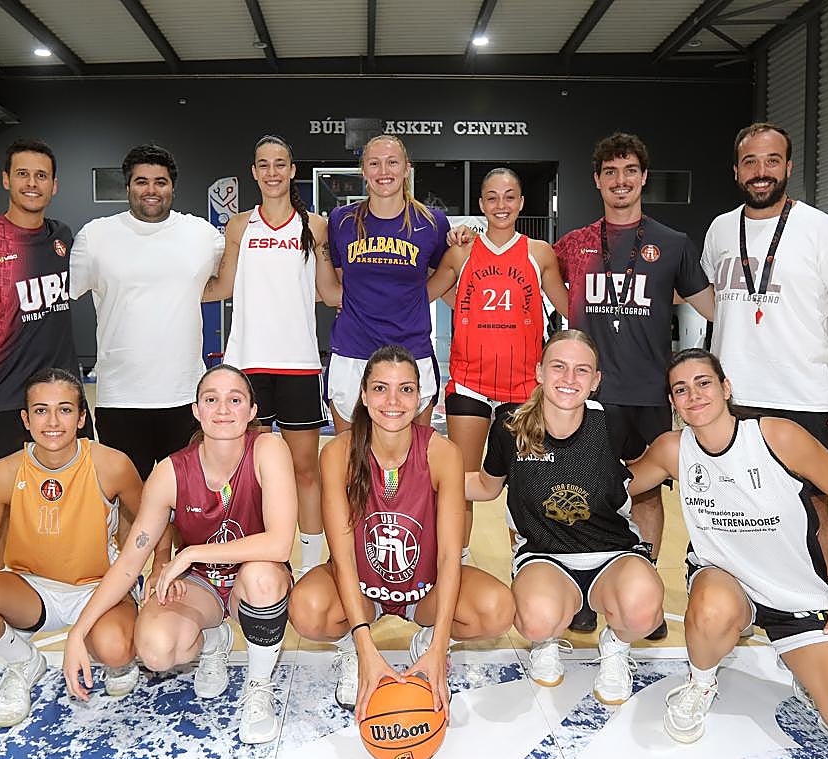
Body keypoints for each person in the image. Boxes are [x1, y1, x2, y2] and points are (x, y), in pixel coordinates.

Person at [627, 349, 828, 753]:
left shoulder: (776, 436)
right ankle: (701, 683)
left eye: (704, 383)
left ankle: (800, 663)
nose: (694, 395)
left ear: (725, 387)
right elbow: (612, 486)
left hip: (795, 595)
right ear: (672, 402)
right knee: (712, 608)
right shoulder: (672, 448)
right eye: (681, 389)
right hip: (726, 582)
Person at [63, 365, 297, 745]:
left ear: (252, 412)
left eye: (234, 400)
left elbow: (279, 543)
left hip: (252, 581)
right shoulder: (171, 472)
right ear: (196, 410)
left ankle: (258, 686)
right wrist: (79, 631)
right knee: (155, 651)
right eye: (211, 400)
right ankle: (214, 639)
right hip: (202, 586)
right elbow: (129, 561)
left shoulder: (268, 449)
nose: (223, 409)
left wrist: (188, 555)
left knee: (262, 577)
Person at [289, 345, 514, 721]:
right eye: (380, 388)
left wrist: (440, 646)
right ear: (363, 394)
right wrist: (366, 649)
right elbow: (342, 558)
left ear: (421, 396)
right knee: (306, 608)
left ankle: (426, 640)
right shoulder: (339, 453)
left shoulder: (442, 453)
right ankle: (352, 642)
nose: (393, 400)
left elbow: (448, 555)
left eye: (405, 389)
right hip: (359, 591)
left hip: (424, 590)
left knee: (497, 609)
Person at [553, 133, 715, 638]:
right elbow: (537, 268)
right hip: (588, 393)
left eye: (629, 171)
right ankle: (582, 589)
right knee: (580, 489)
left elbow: (716, 309)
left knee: (645, 496)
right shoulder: (575, 244)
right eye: (610, 172)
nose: (620, 181)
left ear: (643, 177)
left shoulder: (672, 243)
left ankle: (642, 591)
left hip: (647, 391)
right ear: (597, 180)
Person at [701, 122, 828, 587]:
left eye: (772, 161)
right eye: (751, 162)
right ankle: (753, 593)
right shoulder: (719, 230)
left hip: (804, 395)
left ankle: (826, 593)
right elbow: (707, 297)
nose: (761, 172)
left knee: (816, 502)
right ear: (736, 171)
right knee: (737, 501)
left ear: (788, 167)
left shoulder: (819, 229)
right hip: (736, 395)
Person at [0, 368, 141, 728]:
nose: (53, 421)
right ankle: (23, 660)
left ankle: (114, 655)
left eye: (65, 410)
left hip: (99, 586)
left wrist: (158, 570)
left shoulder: (111, 465)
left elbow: (154, 522)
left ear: (82, 418)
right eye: (41, 411)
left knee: (115, 649)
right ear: (26, 420)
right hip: (31, 589)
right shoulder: (3, 474)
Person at [465, 330, 665, 705]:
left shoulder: (613, 422)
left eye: (581, 370)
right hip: (544, 556)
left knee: (644, 611)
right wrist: (421, 477)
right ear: (539, 372)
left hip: (613, 555)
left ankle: (616, 647)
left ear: (595, 380)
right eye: (559, 367)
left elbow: (640, 472)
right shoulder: (511, 426)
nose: (569, 379)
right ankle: (546, 642)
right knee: (537, 618)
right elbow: (487, 486)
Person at [429, 167, 567, 564]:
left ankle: (530, 560)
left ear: (521, 202)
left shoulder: (539, 252)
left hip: (523, 388)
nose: (501, 204)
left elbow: (569, 307)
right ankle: (460, 562)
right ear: (481, 204)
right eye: (492, 197)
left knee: (526, 485)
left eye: (509, 196)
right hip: (470, 384)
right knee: (462, 480)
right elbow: (422, 292)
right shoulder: (462, 251)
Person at [211, 135, 334, 577]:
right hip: (248, 365)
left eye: (280, 163)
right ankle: (255, 557)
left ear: (292, 169)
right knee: (249, 471)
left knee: (305, 470)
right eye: (263, 164)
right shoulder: (239, 226)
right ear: (253, 172)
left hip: (299, 363)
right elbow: (222, 285)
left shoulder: (314, 226)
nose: (272, 172)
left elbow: (329, 291)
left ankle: (307, 566)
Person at [70, 143, 226, 481]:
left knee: (185, 503)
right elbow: (65, 293)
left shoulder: (202, 235)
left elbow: (224, 284)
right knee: (129, 503)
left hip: (185, 396)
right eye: (142, 181)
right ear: (127, 187)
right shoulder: (95, 237)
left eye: (160, 181)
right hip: (120, 398)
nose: (151, 190)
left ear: (172, 187)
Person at [0, 139, 91, 484]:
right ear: (6, 179)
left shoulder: (63, 238)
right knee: (3, 509)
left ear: (54, 185)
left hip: (63, 399)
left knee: (78, 500)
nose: (32, 183)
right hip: (2, 402)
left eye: (41, 176)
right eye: (23, 174)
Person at [322, 134, 453, 436]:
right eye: (375, 163)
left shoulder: (432, 222)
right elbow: (341, 281)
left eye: (392, 162)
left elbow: (446, 275)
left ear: (407, 167)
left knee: (415, 460)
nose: (384, 171)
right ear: (363, 171)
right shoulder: (342, 220)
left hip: (411, 351)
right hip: (353, 350)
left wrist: (413, 300)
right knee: (349, 459)